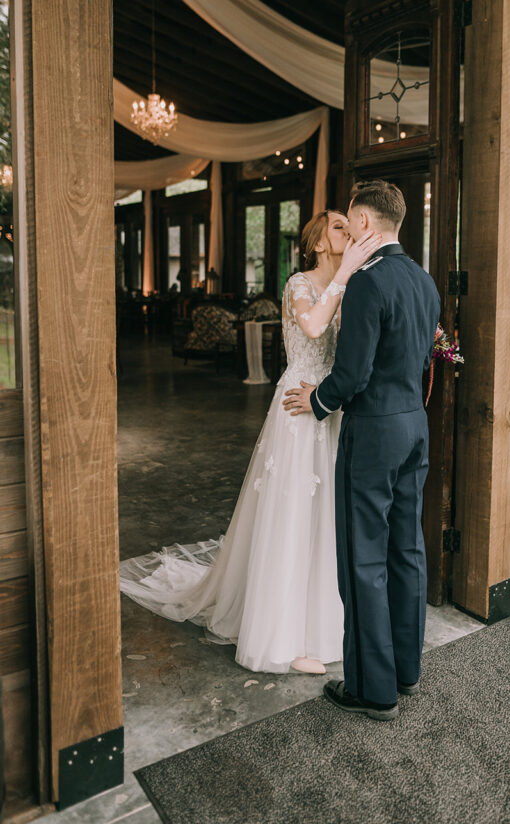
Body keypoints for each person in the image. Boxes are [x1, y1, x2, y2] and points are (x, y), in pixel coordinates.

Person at [119, 210, 383, 675]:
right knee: (295, 516)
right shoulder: (300, 284)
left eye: (349, 225)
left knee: (327, 517)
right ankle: (286, 635)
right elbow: (314, 330)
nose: (348, 232)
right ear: (318, 243)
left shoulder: (350, 284)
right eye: (339, 226)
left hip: (330, 405)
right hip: (298, 408)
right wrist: (345, 275)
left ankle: (326, 623)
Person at [283, 180, 440, 719]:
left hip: (372, 432)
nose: (349, 233)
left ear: (367, 225)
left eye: (352, 223)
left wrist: (319, 400)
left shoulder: (369, 284)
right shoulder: (424, 280)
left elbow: (351, 374)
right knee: (407, 549)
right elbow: (421, 362)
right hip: (414, 426)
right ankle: (406, 669)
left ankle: (373, 689)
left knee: (364, 558)